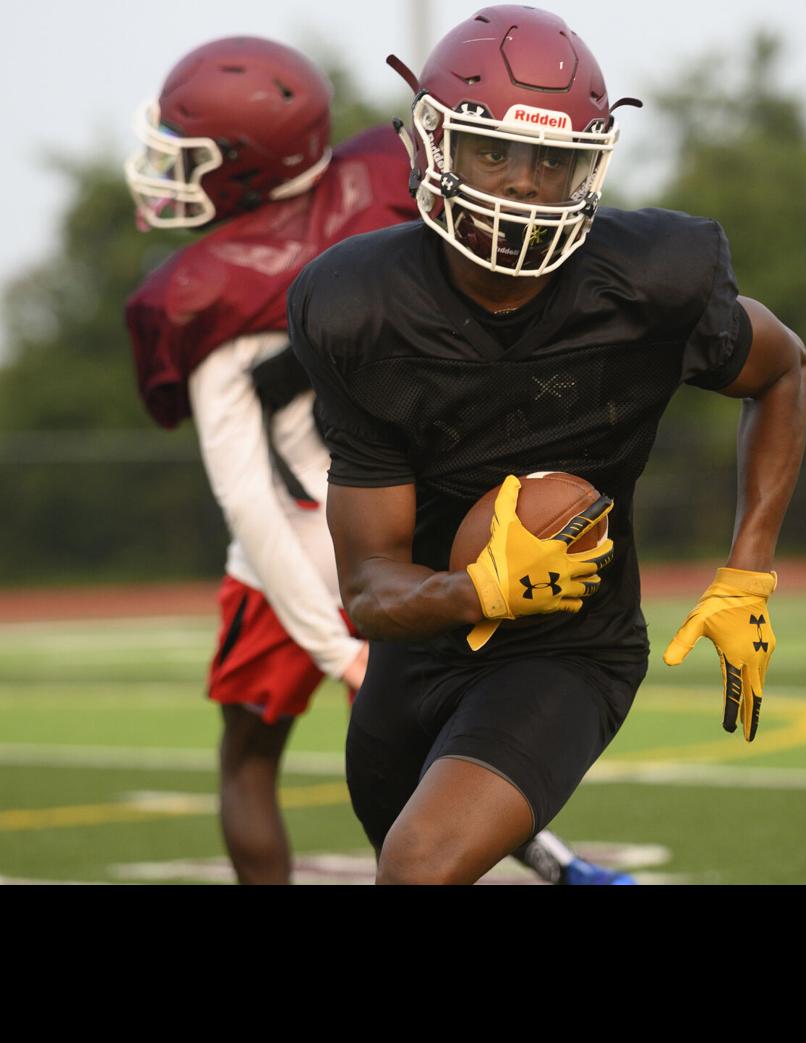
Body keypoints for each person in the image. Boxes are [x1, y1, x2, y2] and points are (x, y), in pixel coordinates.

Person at [287, 5, 806, 885]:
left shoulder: (650, 279)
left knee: (419, 865)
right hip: (421, 642)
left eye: (555, 160)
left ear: (592, 166)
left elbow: (783, 368)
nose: (525, 183)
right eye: (494, 151)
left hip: (571, 643)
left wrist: (749, 566)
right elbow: (370, 586)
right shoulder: (358, 307)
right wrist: (475, 589)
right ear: (431, 144)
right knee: (402, 846)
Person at [123, 34, 636, 886]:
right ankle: (558, 863)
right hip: (418, 535)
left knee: (248, 760)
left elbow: (248, 502)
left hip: (301, 552)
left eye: (195, 155)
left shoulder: (204, 297)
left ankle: (549, 863)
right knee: (457, 744)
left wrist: (340, 648)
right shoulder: (391, 208)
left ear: (243, 164)